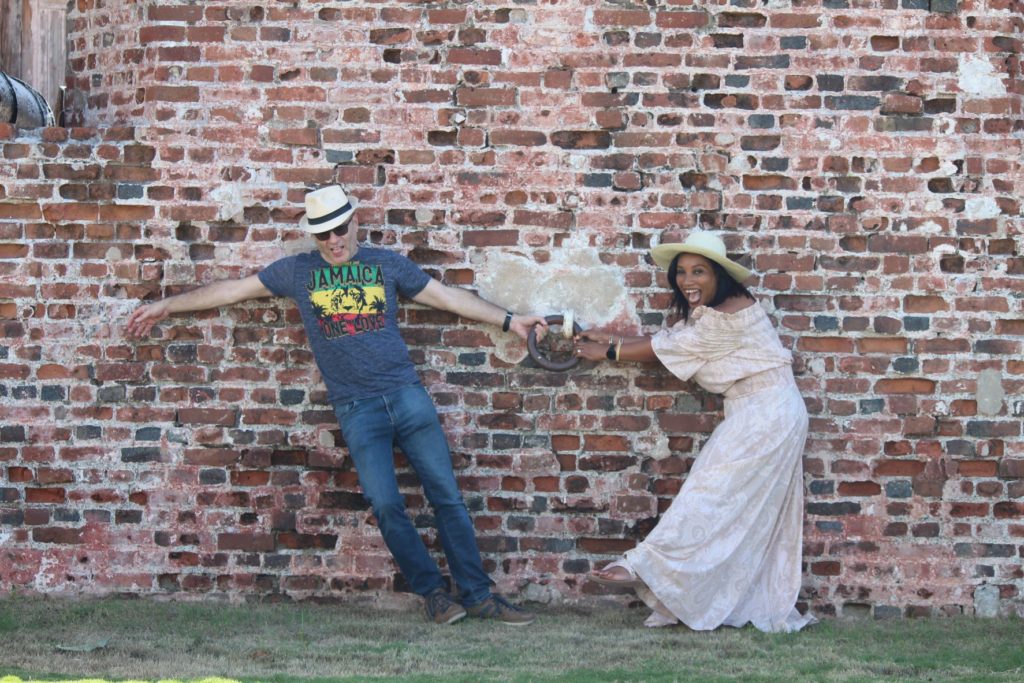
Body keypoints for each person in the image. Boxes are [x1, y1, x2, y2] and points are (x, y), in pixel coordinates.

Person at [125, 185, 548, 626]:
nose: (333, 240)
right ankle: (434, 595)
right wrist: (167, 306)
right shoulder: (298, 272)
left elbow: (446, 298)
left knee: (447, 497)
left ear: (355, 222)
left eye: (340, 229)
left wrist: (509, 320)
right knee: (386, 505)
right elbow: (233, 291)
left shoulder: (386, 265)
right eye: (323, 234)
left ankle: (478, 595)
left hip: (407, 396)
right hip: (358, 410)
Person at [573, 230, 815, 633]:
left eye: (699, 271)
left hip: (769, 413)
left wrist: (610, 351)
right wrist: (610, 338)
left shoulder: (729, 314)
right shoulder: (712, 315)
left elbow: (664, 350)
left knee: (710, 496)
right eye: (681, 272)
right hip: (756, 411)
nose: (688, 281)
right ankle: (680, 597)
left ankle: (646, 566)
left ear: (719, 275)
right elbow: (670, 341)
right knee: (734, 512)